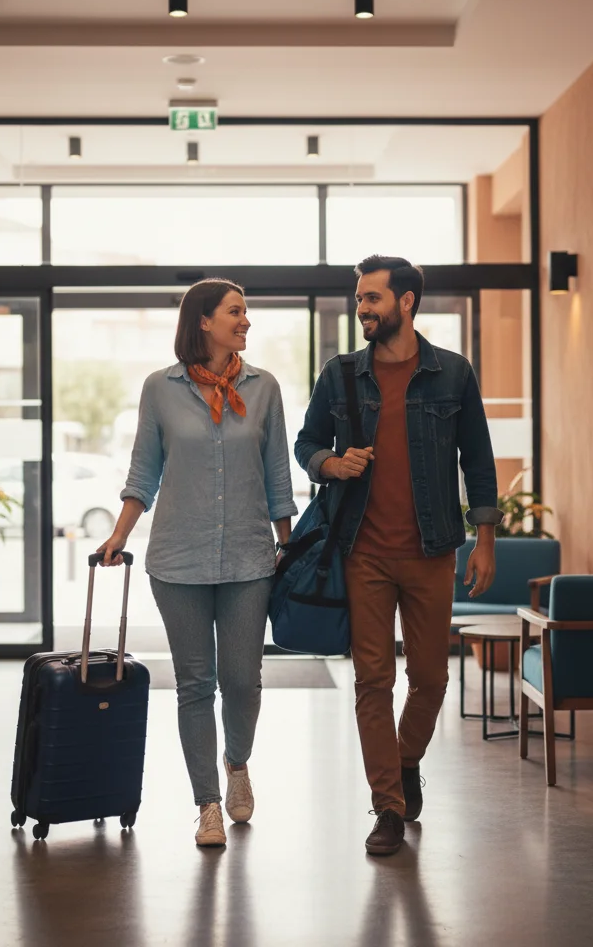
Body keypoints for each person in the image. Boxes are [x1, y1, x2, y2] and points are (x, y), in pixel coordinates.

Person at [295, 255, 502, 856]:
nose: (362, 308)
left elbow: (479, 463)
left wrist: (484, 538)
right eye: (359, 299)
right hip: (362, 551)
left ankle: (404, 760)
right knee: (372, 680)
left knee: (432, 679)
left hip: (433, 549)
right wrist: (330, 464)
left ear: (406, 302)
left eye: (372, 299)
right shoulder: (339, 375)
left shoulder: (453, 375)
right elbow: (307, 442)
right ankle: (387, 805)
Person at [97, 279, 297, 848]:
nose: (246, 322)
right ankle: (207, 804)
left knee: (242, 681)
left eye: (246, 313)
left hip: (249, 558)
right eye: (237, 312)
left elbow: (278, 475)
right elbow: (144, 472)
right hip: (177, 560)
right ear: (204, 321)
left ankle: (238, 762)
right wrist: (118, 534)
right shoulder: (160, 389)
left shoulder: (264, 388)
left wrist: (290, 547)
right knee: (193, 684)